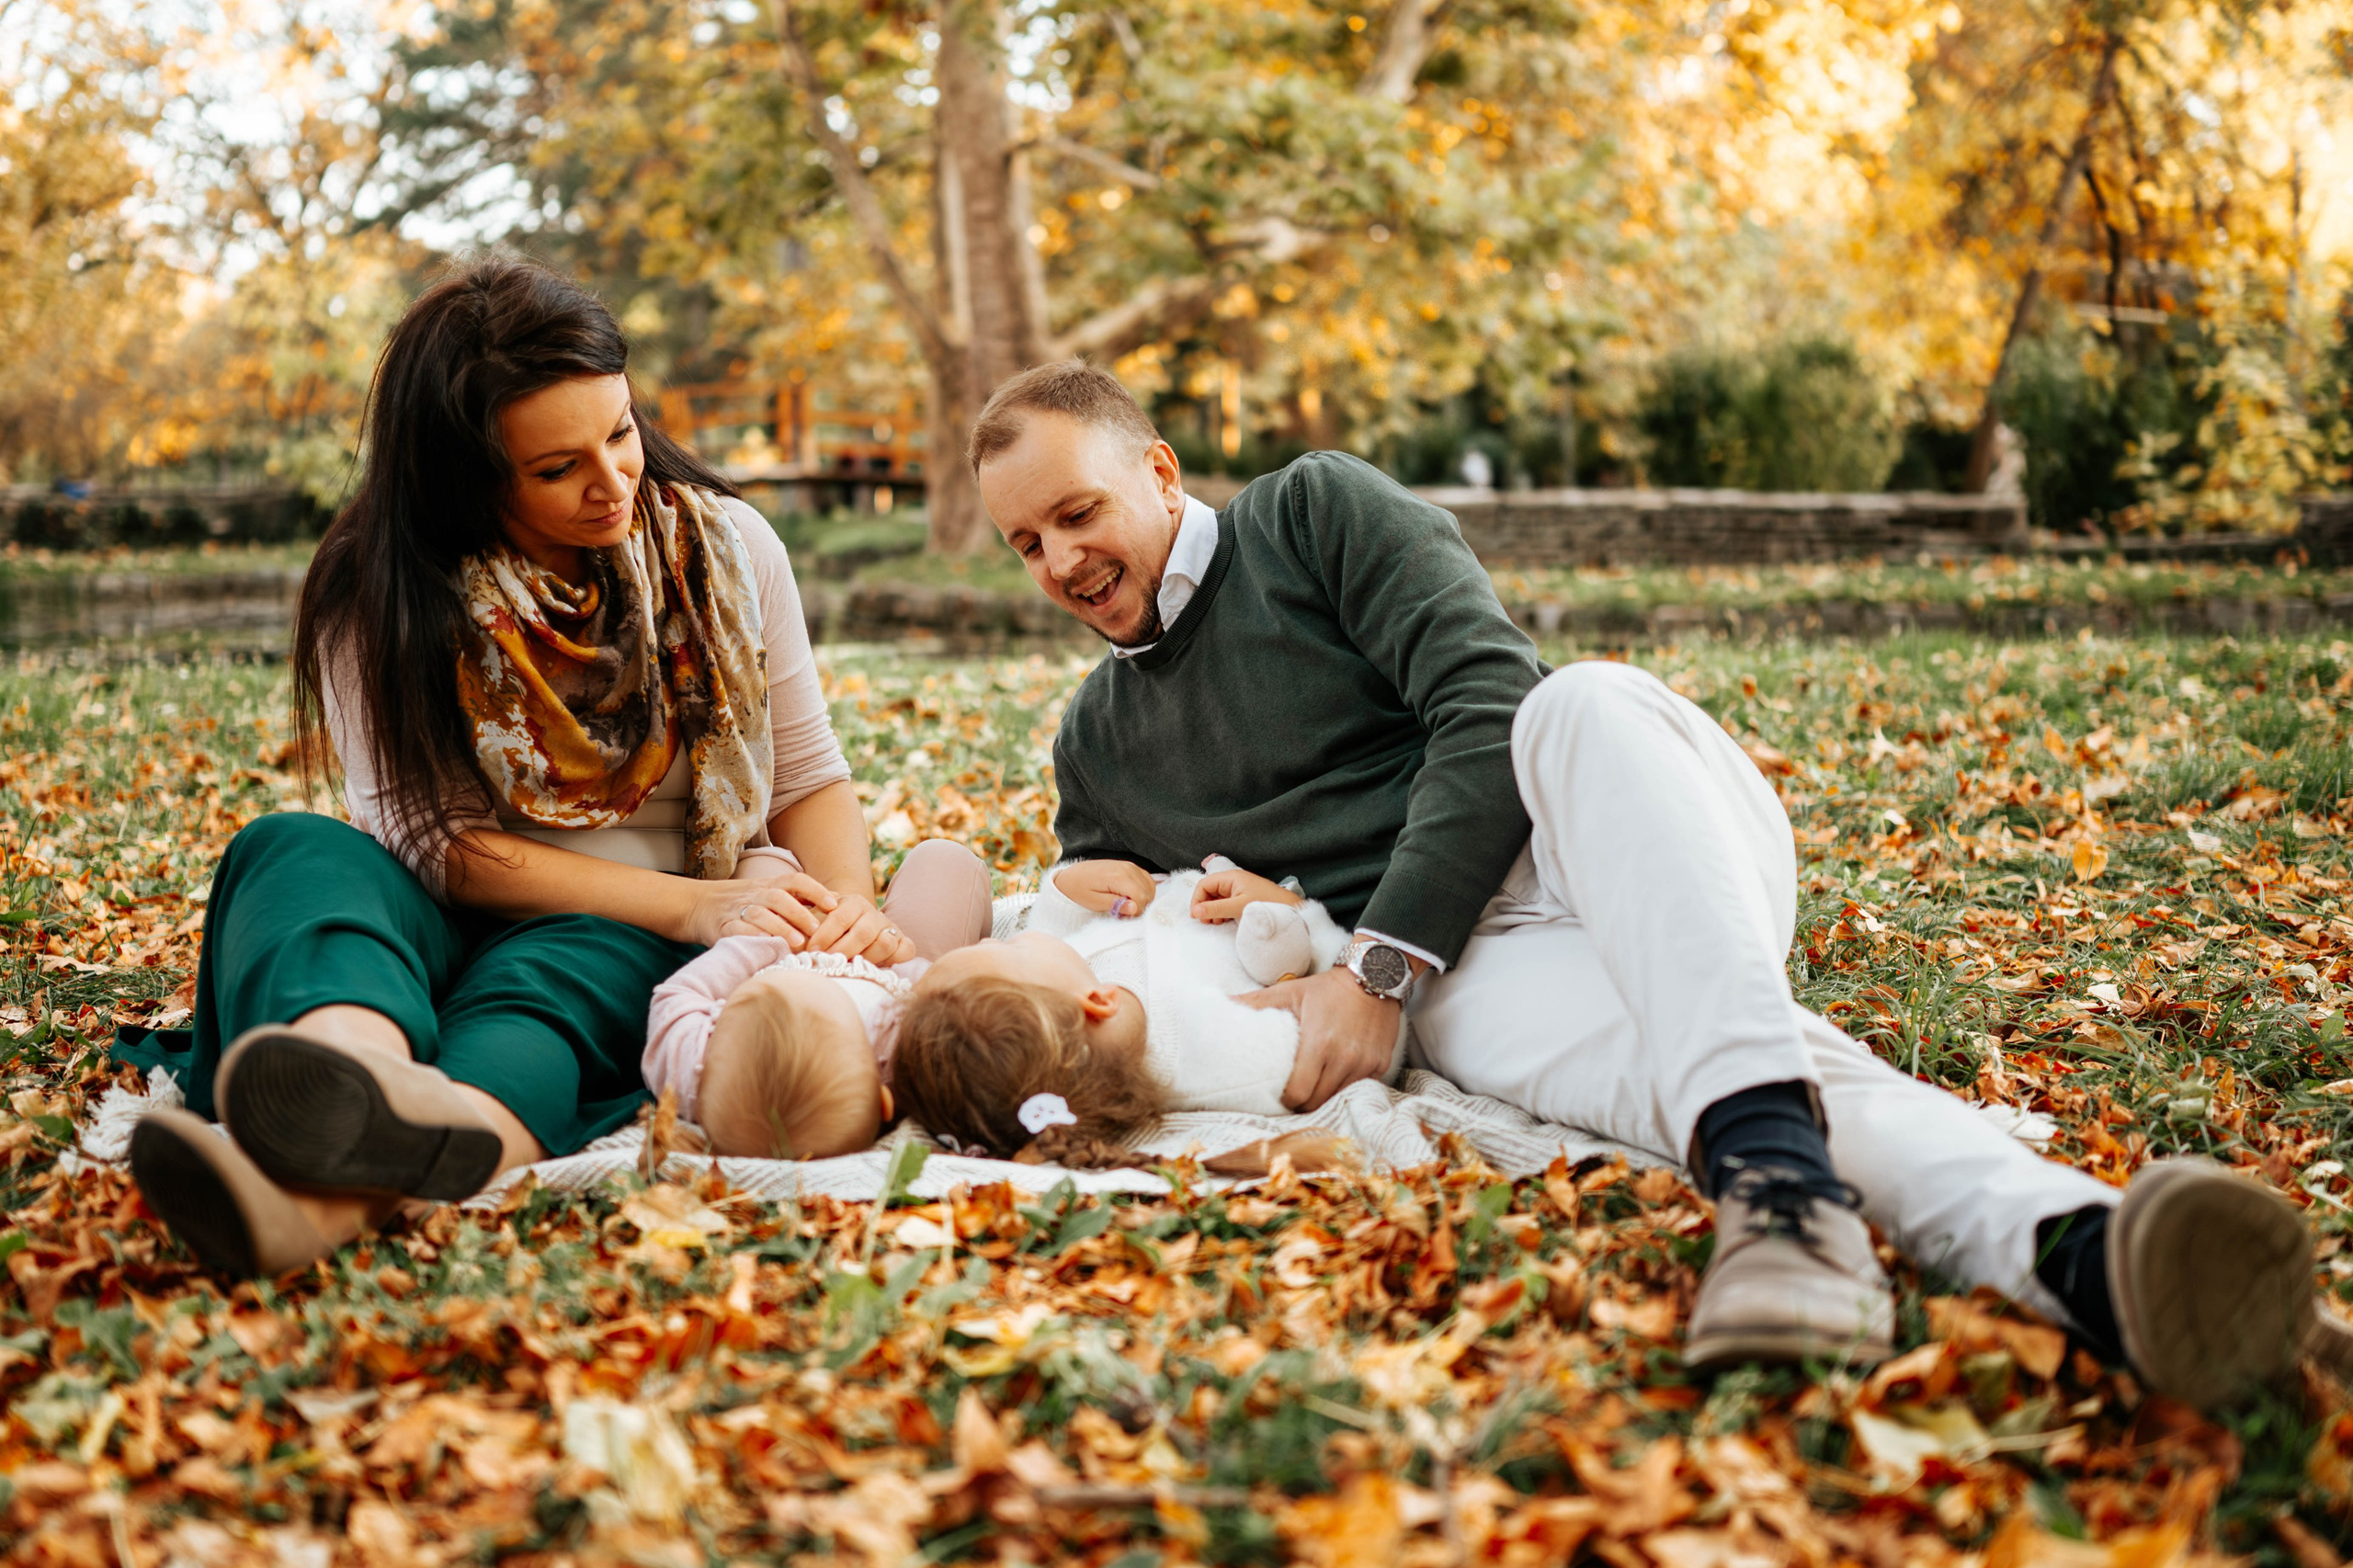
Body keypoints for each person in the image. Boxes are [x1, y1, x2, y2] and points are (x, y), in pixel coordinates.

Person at [963, 358, 2325, 1414]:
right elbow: (1124, 943)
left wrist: (1376, 963)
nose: (1063, 563)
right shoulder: (1098, 739)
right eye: (1027, 546)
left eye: (1078, 513)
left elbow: (1488, 697)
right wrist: (1100, 902)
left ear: (1158, 468)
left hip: (1616, 834)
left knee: (1581, 704)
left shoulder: (1311, 514)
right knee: (1752, 1078)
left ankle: (1786, 1189)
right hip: (1482, 973)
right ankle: (2087, 1260)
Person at [112, 255, 987, 1278]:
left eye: (619, 432)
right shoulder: (383, 589)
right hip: (457, 897)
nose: (613, 481)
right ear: (466, 479)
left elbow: (804, 775)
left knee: (554, 975)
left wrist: (837, 921)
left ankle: (327, 1188)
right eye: (556, 467)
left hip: (639, 921)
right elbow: (431, 842)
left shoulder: (731, 547)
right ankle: (346, 1071)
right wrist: (685, 908)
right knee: (288, 851)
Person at [891, 858, 1378, 1167]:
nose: (1011, 935)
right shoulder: (1215, 1056)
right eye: (1008, 947)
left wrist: (1067, 888)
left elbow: (1056, 936)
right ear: (1097, 1003)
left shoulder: (1069, 1005)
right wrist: (1293, 909)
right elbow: (1346, 1032)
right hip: (1271, 909)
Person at [642, 837, 993, 1160]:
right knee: (946, 860)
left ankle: (786, 888)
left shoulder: (695, 1077)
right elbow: (941, 996)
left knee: (762, 863)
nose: (815, 972)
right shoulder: (899, 1054)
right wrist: (897, 955)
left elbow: (678, 996)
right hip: (890, 965)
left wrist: (762, 945)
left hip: (771, 950)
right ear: (886, 1102)